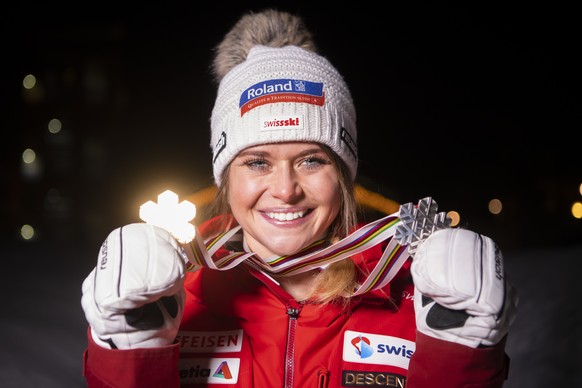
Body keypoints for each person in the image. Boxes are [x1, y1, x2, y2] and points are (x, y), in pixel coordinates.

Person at [81, 8, 518, 387]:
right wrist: (130, 352)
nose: (286, 189)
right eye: (257, 162)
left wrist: (460, 353)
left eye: (311, 160)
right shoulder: (171, 300)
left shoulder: (413, 297)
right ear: (225, 177)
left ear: (343, 175)